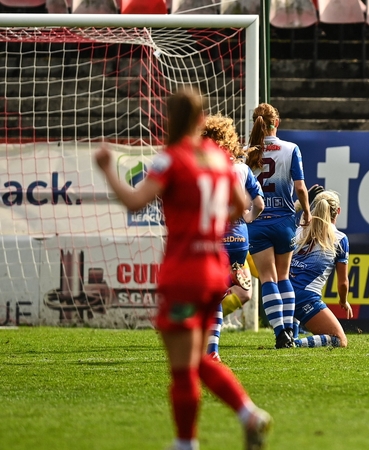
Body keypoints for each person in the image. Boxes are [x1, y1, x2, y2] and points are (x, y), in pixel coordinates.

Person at [94, 88, 271, 450]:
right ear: (202, 118)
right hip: (214, 269)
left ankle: (185, 442)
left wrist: (107, 170)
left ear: (171, 119)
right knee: (198, 357)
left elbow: (133, 200)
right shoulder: (220, 160)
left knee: (182, 366)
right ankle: (247, 414)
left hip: (185, 271)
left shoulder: (171, 159)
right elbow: (241, 207)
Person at [245, 103, 311, 349]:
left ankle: (280, 333)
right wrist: (306, 211)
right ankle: (289, 333)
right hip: (284, 220)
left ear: (256, 122)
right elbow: (300, 188)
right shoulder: (291, 148)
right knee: (284, 276)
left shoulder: (246, 152)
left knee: (267, 278)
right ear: (277, 122)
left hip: (257, 221)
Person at [202, 113, 265, 362]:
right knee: (239, 291)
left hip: (214, 240)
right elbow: (259, 204)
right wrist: (247, 218)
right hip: (240, 239)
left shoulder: (203, 169)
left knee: (209, 295)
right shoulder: (242, 170)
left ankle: (210, 348)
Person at [289, 190, 353, 348]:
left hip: (282, 291)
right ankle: (293, 344)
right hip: (305, 297)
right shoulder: (340, 239)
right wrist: (343, 301)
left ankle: (291, 335)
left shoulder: (299, 229)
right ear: (338, 211)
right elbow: (343, 283)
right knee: (339, 339)